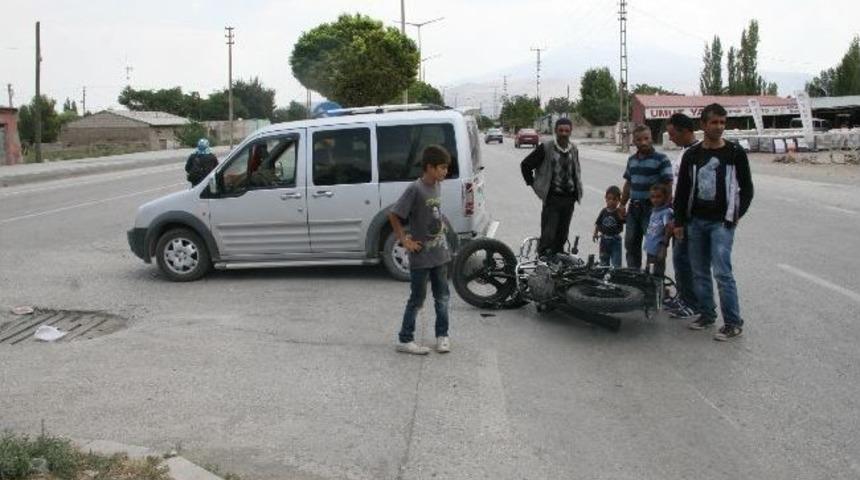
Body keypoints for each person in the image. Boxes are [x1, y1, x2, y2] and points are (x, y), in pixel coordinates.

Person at [673, 103, 754, 341]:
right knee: (699, 272)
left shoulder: (735, 153)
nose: (719, 127)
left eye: (722, 122)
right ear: (703, 124)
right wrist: (679, 222)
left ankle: (732, 323)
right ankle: (707, 314)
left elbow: (747, 189)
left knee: (722, 273)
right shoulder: (692, 155)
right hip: (696, 222)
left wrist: (737, 213)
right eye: (714, 122)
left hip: (721, 223)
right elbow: (682, 191)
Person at [389, 145, 453, 355]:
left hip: (439, 254)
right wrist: (404, 241)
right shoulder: (415, 189)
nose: (445, 172)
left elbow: (433, 213)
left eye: (446, 168)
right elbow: (394, 214)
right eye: (442, 168)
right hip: (421, 257)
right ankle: (405, 339)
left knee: (442, 298)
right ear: (429, 167)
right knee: (417, 299)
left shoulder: (437, 185)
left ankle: (442, 336)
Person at [520, 118, 583, 257]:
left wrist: (576, 192)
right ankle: (543, 260)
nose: (564, 133)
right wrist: (534, 185)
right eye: (561, 130)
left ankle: (558, 261)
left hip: (569, 199)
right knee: (548, 235)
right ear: (555, 131)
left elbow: (576, 171)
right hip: (552, 198)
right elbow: (525, 165)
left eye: (567, 131)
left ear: (570, 132)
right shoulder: (546, 148)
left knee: (562, 234)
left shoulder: (574, 149)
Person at [619, 125, 673, 270]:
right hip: (634, 209)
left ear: (651, 138)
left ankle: (656, 279)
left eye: (646, 138)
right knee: (630, 244)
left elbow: (668, 185)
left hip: (653, 210)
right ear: (634, 141)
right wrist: (622, 204)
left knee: (654, 246)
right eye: (639, 139)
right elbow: (628, 183)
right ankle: (634, 276)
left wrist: (666, 210)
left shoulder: (662, 159)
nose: (643, 142)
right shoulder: (631, 160)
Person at [664, 113, 700, 319]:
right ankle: (684, 298)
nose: (670, 138)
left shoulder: (696, 154)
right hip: (677, 215)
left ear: (684, 131)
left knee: (686, 261)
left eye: (672, 134)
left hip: (687, 219)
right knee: (679, 260)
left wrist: (680, 220)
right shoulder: (684, 152)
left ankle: (692, 303)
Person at [643, 183, 673, 283]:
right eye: (653, 197)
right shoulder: (654, 211)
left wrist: (663, 247)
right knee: (649, 271)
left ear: (665, 197)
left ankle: (659, 289)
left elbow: (668, 228)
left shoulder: (666, 212)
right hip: (650, 249)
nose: (655, 200)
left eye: (658, 197)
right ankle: (651, 288)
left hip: (658, 249)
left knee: (658, 273)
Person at [593, 185, 624, 268]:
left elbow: (623, 221)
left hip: (615, 240)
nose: (611, 201)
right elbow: (598, 223)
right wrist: (595, 233)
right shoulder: (603, 211)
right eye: (609, 199)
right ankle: (604, 272)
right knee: (603, 262)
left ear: (619, 200)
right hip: (604, 240)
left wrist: (622, 214)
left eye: (614, 199)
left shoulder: (618, 212)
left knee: (616, 263)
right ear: (605, 199)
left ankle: (615, 274)